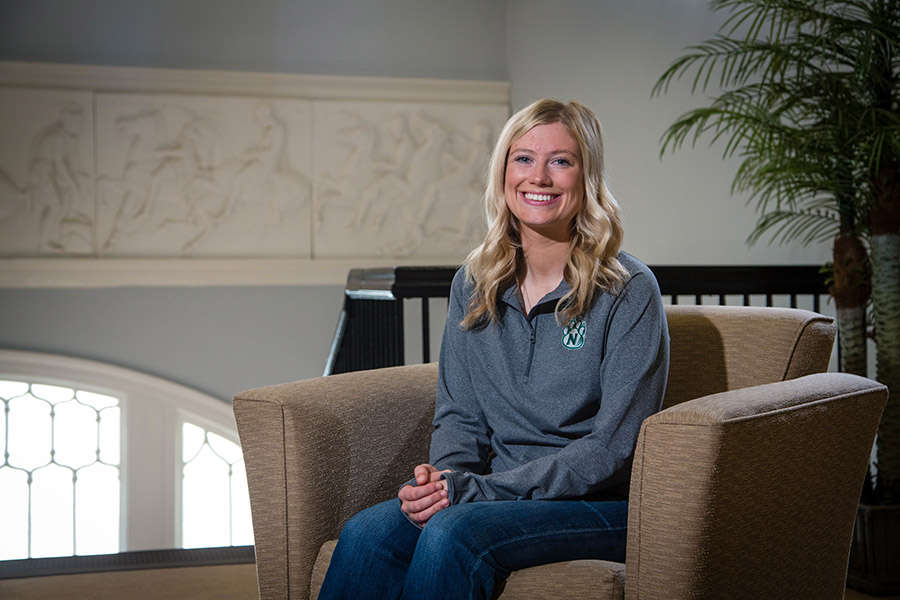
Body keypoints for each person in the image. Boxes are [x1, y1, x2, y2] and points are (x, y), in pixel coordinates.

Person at [318, 99, 670, 600]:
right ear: (504, 171)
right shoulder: (475, 282)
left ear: (586, 177)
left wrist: (478, 493)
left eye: (561, 161)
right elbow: (460, 416)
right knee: (366, 535)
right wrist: (443, 479)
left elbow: (612, 450)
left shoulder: (629, 290)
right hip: (495, 494)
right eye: (523, 158)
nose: (539, 177)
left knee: (452, 534)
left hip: (601, 503)